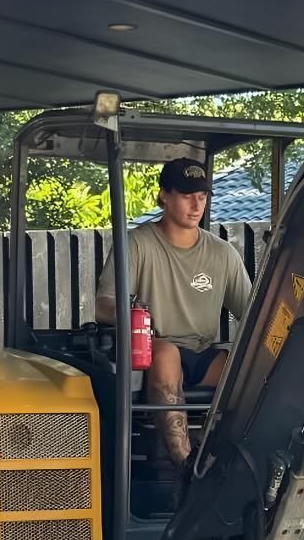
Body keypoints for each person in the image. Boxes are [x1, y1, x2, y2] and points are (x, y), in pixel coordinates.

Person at [95, 158, 252, 465]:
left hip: (202, 354)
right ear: (163, 196)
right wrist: (134, 314)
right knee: (166, 353)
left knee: (251, 365)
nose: (196, 205)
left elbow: (253, 313)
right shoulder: (136, 244)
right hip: (149, 357)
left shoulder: (223, 253)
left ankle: (228, 463)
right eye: (186, 196)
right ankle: (185, 466)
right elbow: (104, 305)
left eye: (202, 196)